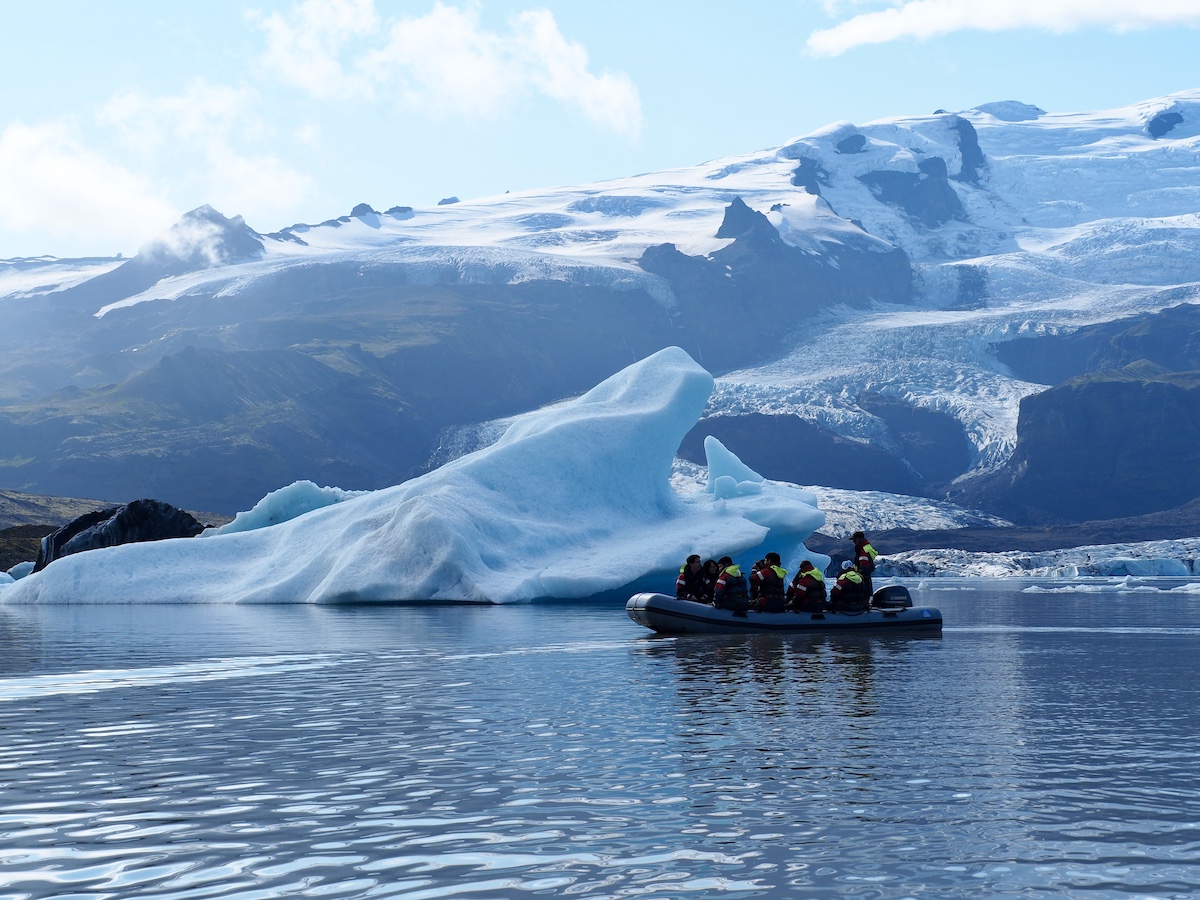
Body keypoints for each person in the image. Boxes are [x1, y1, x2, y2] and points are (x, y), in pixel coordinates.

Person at [852, 530, 878, 597]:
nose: (853, 542)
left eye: (854, 539)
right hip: (865, 575)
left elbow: (864, 565)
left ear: (858, 539)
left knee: (864, 593)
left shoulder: (863, 550)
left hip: (862, 576)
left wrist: (859, 574)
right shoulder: (866, 547)